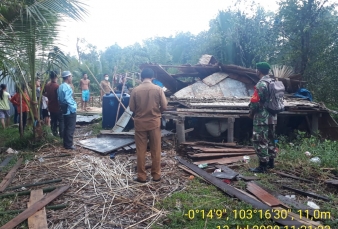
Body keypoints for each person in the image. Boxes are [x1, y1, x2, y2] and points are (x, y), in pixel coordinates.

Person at [129, 68, 167, 183]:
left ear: (141, 78)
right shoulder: (158, 89)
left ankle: (142, 176)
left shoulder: (135, 90)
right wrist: (156, 112)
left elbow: (131, 108)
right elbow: (164, 106)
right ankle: (156, 175)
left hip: (140, 124)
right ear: (152, 78)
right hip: (154, 123)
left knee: (141, 150)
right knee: (156, 150)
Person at [248, 62, 277, 173]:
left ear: (258, 71)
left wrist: (251, 112)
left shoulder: (261, 84)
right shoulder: (273, 82)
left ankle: (262, 166)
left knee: (260, 140)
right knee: (271, 139)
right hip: (273, 116)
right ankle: (271, 163)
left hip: (262, 117)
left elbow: (255, 102)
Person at [58, 71, 77, 150]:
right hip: (69, 110)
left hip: (64, 109)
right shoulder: (67, 87)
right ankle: (69, 145)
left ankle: (65, 143)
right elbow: (68, 99)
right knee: (70, 127)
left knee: (66, 127)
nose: (71, 78)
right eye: (71, 77)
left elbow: (59, 98)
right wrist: (73, 107)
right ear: (68, 77)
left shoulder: (60, 87)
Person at [45, 71, 64, 137]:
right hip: (57, 107)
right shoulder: (57, 86)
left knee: (53, 121)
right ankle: (62, 136)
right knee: (61, 121)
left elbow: (44, 94)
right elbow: (60, 97)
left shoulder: (47, 86)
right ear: (56, 77)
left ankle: (55, 134)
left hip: (50, 106)